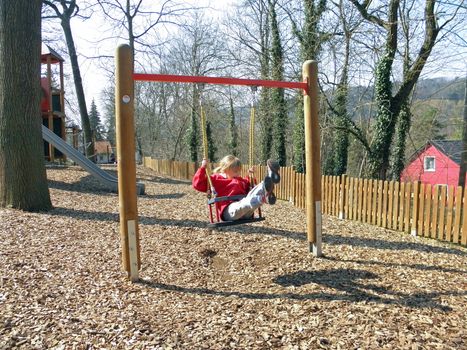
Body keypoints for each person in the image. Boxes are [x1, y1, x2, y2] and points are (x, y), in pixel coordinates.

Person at [192, 155, 280, 221]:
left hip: (246, 213)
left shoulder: (240, 180)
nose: (238, 173)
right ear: (225, 169)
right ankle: (262, 198)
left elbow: (250, 189)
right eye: (235, 171)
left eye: (239, 171)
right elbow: (197, 184)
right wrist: (203, 168)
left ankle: (269, 179)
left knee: (254, 192)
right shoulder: (215, 180)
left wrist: (250, 177)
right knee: (243, 203)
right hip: (229, 211)